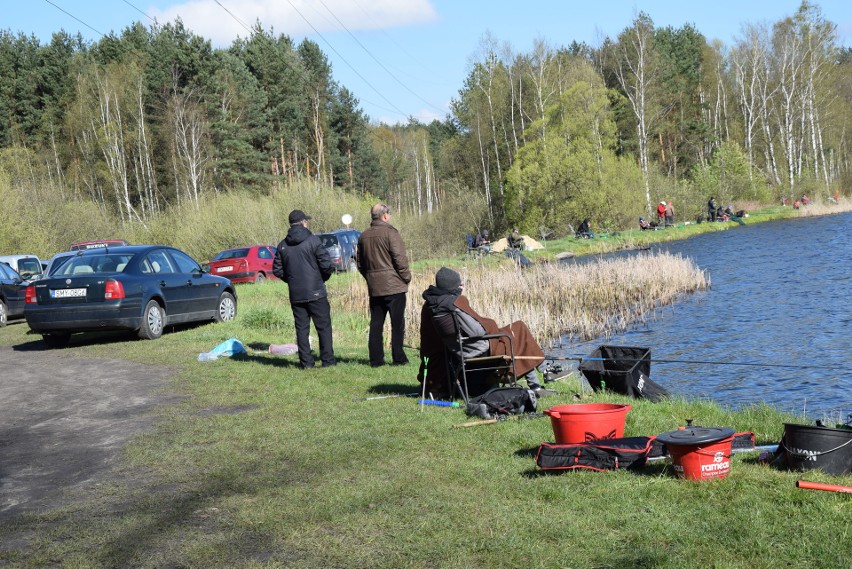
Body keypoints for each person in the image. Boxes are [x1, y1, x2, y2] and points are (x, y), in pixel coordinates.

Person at [417, 267, 555, 398]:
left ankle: (542, 373)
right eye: (460, 284)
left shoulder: (433, 304)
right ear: (454, 286)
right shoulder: (454, 304)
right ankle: (540, 378)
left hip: (460, 349)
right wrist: (490, 322)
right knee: (518, 330)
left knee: (516, 332)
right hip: (477, 348)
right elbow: (477, 331)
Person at [272, 209, 336, 368]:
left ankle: (306, 363)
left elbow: (277, 270)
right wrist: (321, 279)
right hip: (316, 292)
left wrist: (292, 281)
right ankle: (327, 361)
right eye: (306, 220)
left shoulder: (282, 245)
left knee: (302, 329)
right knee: (324, 327)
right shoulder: (313, 241)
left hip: (296, 293)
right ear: (303, 222)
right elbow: (327, 265)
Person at [357, 203, 412, 367]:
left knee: (376, 324)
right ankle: (399, 357)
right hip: (394, 285)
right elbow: (400, 259)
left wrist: (370, 278)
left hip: (375, 287)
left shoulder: (363, 236)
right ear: (385, 215)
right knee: (397, 324)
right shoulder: (390, 233)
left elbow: (360, 264)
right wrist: (406, 277)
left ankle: (376, 359)